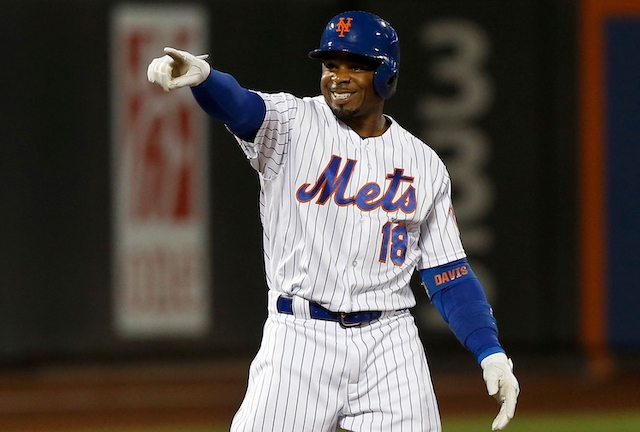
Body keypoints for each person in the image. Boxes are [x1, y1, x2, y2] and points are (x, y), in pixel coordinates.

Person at [147, 10, 519, 432]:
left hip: (389, 343)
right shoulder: (292, 122)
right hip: (300, 339)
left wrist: (490, 353)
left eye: (356, 66)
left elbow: (448, 274)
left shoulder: (424, 164)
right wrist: (205, 78)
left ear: (387, 76)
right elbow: (241, 106)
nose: (338, 76)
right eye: (330, 65)